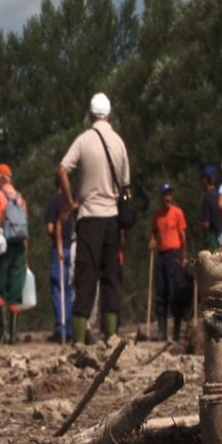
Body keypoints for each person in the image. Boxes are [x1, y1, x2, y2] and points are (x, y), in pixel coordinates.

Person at [57, 93, 130, 344]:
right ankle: (110, 336)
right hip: (111, 217)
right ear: (109, 114)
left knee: (85, 278)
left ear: (90, 115)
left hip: (88, 217)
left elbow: (62, 170)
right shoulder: (119, 143)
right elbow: (126, 185)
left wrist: (71, 202)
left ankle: (78, 339)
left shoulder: (83, 140)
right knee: (111, 277)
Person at [0, 164, 28, 344]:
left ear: (1, 178)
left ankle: (0, 334)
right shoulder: (20, 198)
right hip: (19, 247)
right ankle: (13, 335)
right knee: (15, 290)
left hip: (3, 247)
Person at [149, 183, 188, 342]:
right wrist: (152, 240)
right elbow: (153, 232)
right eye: (164, 194)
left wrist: (184, 257)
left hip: (174, 255)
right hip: (162, 254)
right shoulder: (157, 215)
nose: (167, 197)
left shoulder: (177, 212)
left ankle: (176, 332)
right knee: (161, 292)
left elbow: (184, 237)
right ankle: (162, 331)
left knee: (175, 293)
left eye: (169, 194)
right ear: (161, 196)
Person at [45, 180, 74, 342]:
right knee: (70, 290)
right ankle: (70, 328)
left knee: (58, 289)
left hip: (60, 249)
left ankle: (60, 328)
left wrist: (56, 239)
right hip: (74, 249)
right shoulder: (73, 201)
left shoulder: (55, 202)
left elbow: (50, 228)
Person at [199, 165, 221, 253]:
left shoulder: (207, 197)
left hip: (212, 239)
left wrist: (198, 229)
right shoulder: (219, 194)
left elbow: (206, 224)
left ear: (205, 180)